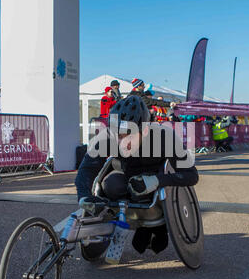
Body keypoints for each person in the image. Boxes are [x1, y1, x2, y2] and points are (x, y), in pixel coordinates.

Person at [73, 95, 199, 256]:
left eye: (128, 136)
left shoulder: (164, 136)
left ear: (145, 130)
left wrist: (156, 181)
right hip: (125, 177)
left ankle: (158, 228)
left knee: (142, 190)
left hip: (155, 183)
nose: (122, 142)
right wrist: (83, 196)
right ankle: (126, 221)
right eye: (118, 136)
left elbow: (191, 175)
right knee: (110, 185)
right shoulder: (108, 137)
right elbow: (86, 169)